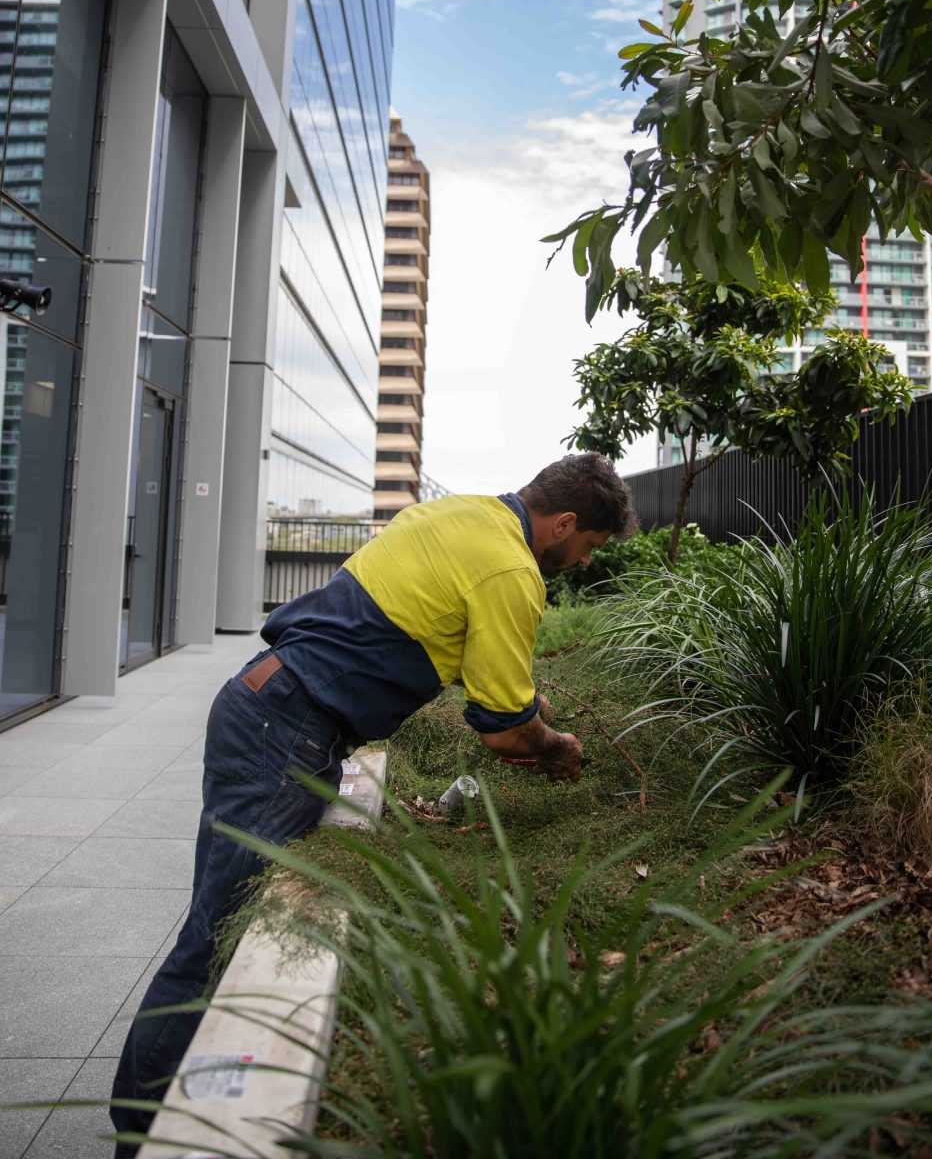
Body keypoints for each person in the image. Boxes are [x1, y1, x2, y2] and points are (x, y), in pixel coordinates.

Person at [110, 452, 635, 1153]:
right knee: (216, 931)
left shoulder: (461, 514)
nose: (583, 562)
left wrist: (519, 700)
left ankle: (145, 1112)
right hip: (285, 728)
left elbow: (432, 632)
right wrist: (556, 744)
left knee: (216, 920)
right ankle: (143, 1129)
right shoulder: (511, 569)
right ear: (565, 522)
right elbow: (505, 729)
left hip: (266, 703)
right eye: (589, 546)